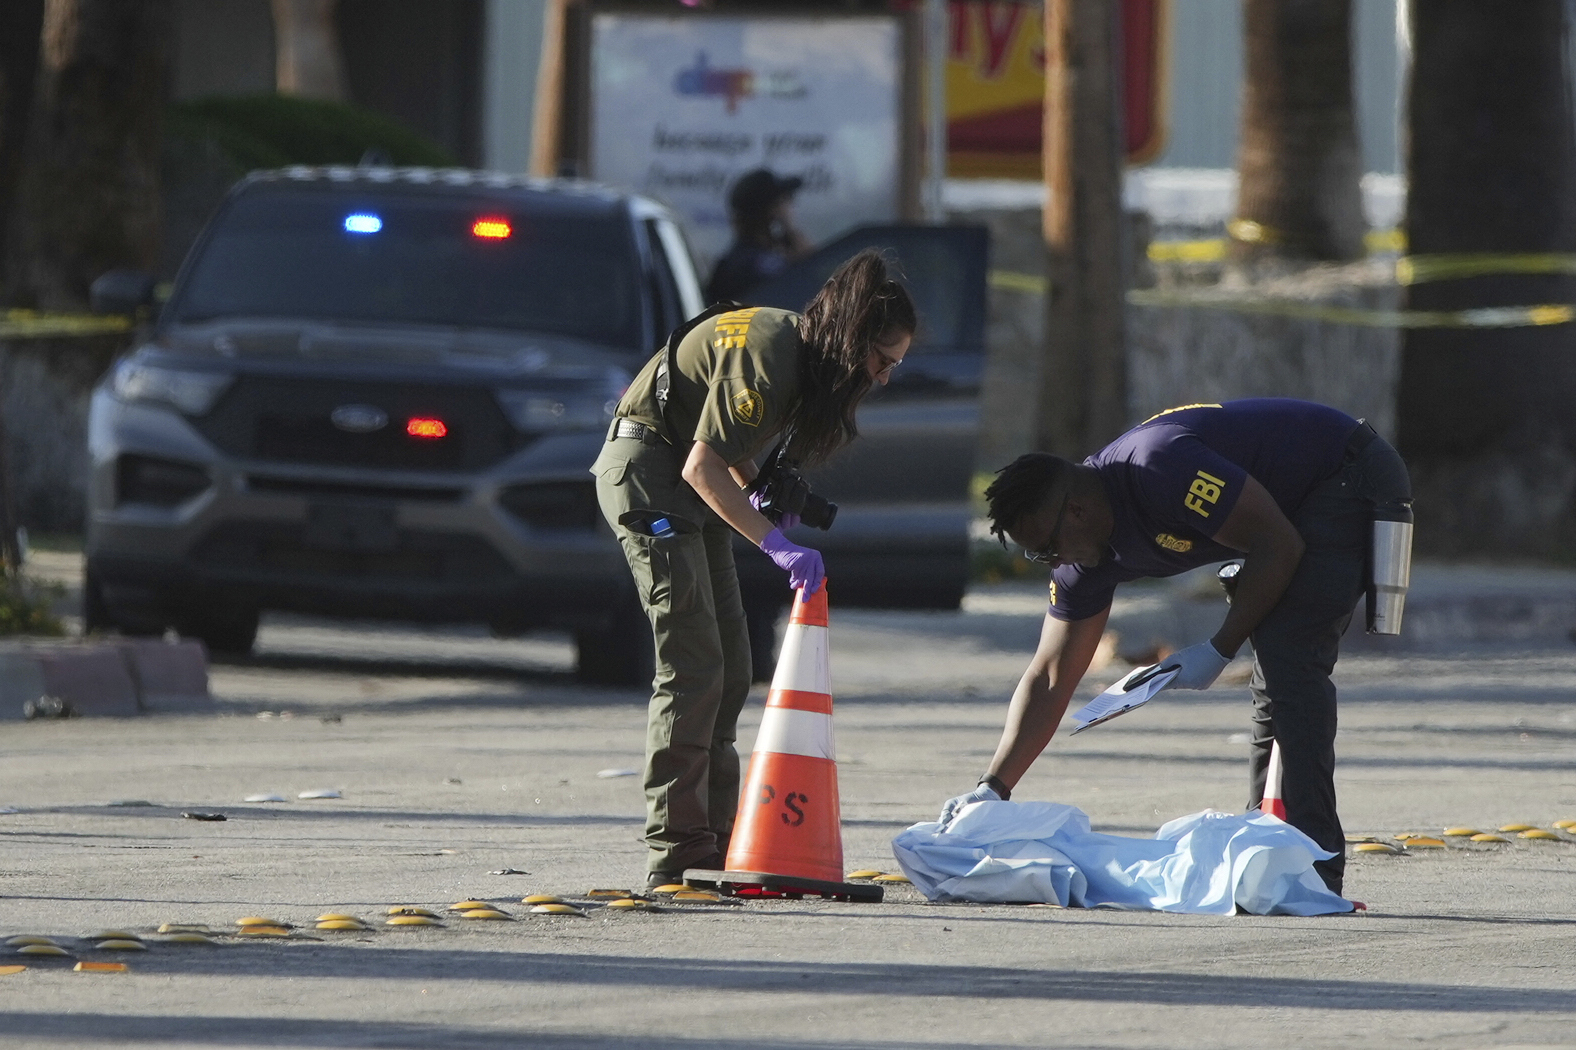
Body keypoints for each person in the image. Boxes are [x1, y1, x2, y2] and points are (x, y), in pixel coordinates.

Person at [941, 399, 1412, 897]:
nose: (1050, 562)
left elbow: (1278, 543)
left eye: (1046, 548)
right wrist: (993, 786)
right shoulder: (1080, 560)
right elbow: (1052, 675)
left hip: (1344, 472)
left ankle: (1313, 870)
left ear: (1076, 511)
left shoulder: (1159, 469)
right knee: (1276, 671)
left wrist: (1220, 646)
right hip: (1282, 517)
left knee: (1289, 658)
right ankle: (1271, 847)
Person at [593, 248, 917, 888]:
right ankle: (679, 851)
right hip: (648, 481)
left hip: (680, 486)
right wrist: (776, 544)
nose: (882, 378)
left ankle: (717, 843)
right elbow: (701, 465)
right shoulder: (771, 357)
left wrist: (763, 491)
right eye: (881, 361)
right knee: (692, 665)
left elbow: (722, 454)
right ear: (852, 339)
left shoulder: (791, 349)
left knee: (733, 666)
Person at [704, 168, 812, 304]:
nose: (790, 207)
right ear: (771, 210)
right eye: (783, 202)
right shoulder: (750, 265)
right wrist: (788, 226)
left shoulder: (772, 252)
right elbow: (812, 271)